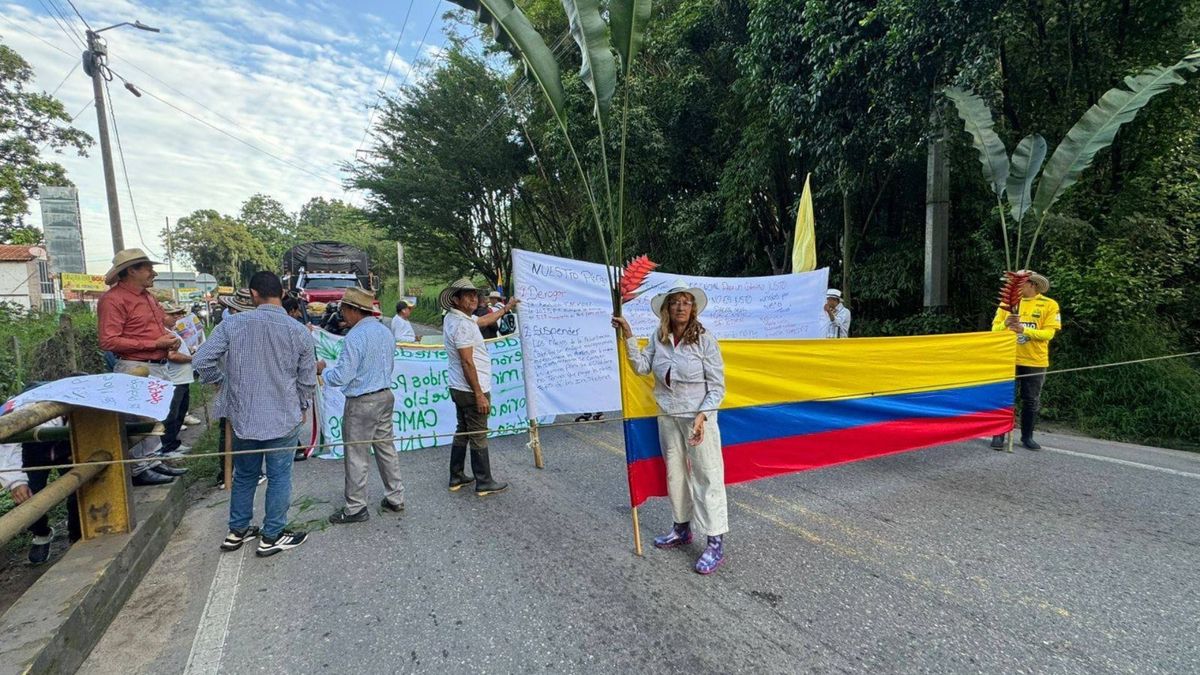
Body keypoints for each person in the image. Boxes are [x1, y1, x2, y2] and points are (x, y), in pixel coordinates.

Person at [194, 272, 316, 557]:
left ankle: (237, 531)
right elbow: (307, 378)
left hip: (243, 416)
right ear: (283, 295)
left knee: (246, 475)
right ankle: (271, 535)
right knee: (279, 477)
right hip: (283, 416)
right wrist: (302, 406)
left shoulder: (232, 325)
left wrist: (221, 383)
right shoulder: (298, 331)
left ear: (253, 294)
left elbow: (201, 359)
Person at [612, 280, 729, 575]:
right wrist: (627, 335)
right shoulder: (659, 336)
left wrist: (703, 416)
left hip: (697, 419)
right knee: (675, 473)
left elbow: (717, 387)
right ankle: (681, 528)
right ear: (667, 308)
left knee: (707, 476)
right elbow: (641, 367)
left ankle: (714, 541)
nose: (680, 307)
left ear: (693, 309)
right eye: (675, 301)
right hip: (667, 415)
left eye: (686, 302)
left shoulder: (705, 340)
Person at [96, 248, 187, 486]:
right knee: (138, 418)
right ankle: (138, 467)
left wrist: (168, 340)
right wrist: (153, 343)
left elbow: (156, 329)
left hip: (157, 364)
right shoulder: (113, 300)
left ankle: (153, 459)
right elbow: (108, 340)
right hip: (135, 366)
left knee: (155, 414)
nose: (153, 273)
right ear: (131, 271)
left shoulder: (148, 297)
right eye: (147, 268)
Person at [317, 287, 406, 523]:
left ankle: (356, 507)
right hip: (385, 396)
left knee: (357, 454)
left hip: (362, 402)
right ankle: (396, 497)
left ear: (353, 310)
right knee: (386, 449)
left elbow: (343, 375)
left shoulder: (355, 337)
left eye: (344, 309)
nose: (342, 314)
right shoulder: (385, 332)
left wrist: (324, 372)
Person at [440, 278, 518, 495]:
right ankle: (484, 481)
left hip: (459, 387)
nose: (474, 298)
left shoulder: (456, 319)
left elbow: (484, 321)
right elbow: (467, 361)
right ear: (456, 299)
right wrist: (479, 395)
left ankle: (456, 476)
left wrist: (508, 307)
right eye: (468, 295)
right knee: (478, 433)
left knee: (463, 430)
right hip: (471, 388)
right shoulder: (463, 325)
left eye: (475, 294)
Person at [990, 271, 1061, 451]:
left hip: (1034, 360)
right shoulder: (1007, 304)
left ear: (1032, 284)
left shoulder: (1049, 305)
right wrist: (1006, 324)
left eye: (1019, 283)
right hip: (1008, 358)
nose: (1015, 287)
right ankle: (998, 435)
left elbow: (1048, 334)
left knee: (1031, 400)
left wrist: (1024, 330)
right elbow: (994, 331)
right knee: (1004, 397)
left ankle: (1027, 436)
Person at [0, 407, 77, 564]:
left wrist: (81, 447)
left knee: (78, 490)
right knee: (28, 496)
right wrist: (16, 482)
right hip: (30, 452)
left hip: (67, 447)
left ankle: (77, 533)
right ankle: (41, 534)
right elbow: (7, 448)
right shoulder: (19, 409)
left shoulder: (79, 404)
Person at [158, 303, 194, 458]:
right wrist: (192, 358)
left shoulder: (171, 332)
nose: (176, 318)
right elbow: (172, 356)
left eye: (178, 315)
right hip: (174, 380)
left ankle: (173, 443)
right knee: (171, 416)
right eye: (172, 315)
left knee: (180, 413)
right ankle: (166, 447)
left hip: (182, 379)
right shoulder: (163, 334)